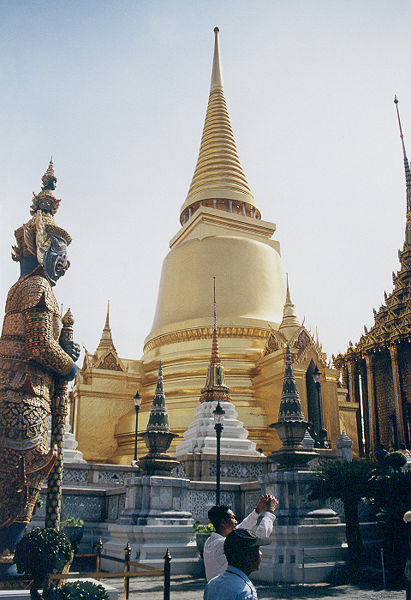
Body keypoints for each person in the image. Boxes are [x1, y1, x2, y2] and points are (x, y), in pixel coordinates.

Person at [203, 494, 278, 582]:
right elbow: (257, 539)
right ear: (223, 522)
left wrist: (257, 511)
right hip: (229, 590)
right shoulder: (224, 544)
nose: (236, 521)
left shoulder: (209, 542)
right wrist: (269, 513)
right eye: (233, 518)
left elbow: (240, 529)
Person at [204, 528, 265, 600]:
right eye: (257, 550)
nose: (260, 553)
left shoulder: (212, 584)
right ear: (248, 557)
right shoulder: (245, 592)